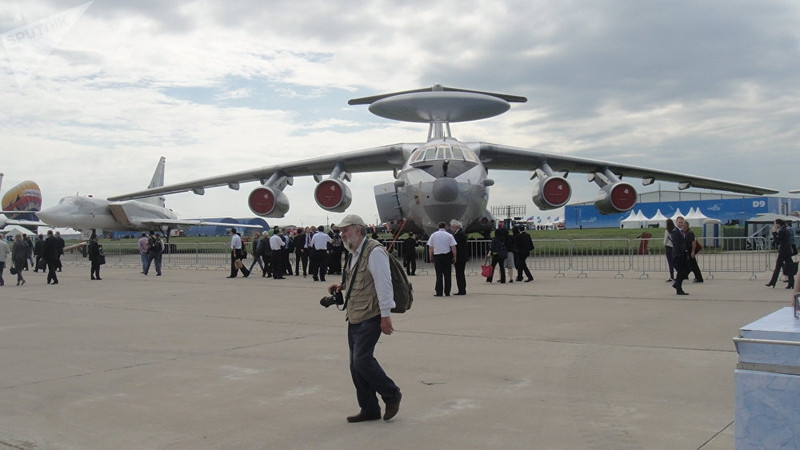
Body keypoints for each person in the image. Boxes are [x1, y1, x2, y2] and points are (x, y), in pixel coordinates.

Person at [326, 214, 402, 423]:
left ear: (358, 230)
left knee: (362, 360)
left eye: (345, 230)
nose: (342, 234)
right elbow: (359, 278)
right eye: (341, 231)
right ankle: (369, 409)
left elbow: (383, 284)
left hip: (371, 314)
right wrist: (341, 286)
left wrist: (385, 316)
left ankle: (391, 394)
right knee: (355, 364)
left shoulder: (374, 251)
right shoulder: (354, 252)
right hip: (355, 314)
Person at [427, 221, 457, 297]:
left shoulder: (433, 235)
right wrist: (454, 256)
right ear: (445, 227)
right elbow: (453, 247)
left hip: (437, 256)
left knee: (439, 275)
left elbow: (430, 247)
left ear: (438, 227)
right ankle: (447, 292)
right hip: (447, 256)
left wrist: (430, 256)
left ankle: (439, 292)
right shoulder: (449, 235)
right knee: (447, 275)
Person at [767, 219, 795, 289]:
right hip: (787, 250)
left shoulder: (782, 231)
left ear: (778, 224)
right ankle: (791, 282)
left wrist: (774, 232)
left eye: (775, 224)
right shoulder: (786, 229)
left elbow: (777, 241)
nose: (774, 225)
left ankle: (773, 282)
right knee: (789, 266)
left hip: (783, 251)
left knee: (778, 267)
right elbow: (781, 239)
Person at [670, 216, 689, 295]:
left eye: (682, 223)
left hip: (682, 254)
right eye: (679, 222)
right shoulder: (675, 232)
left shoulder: (681, 231)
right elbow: (676, 244)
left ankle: (677, 285)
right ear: (676, 222)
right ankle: (678, 289)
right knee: (681, 272)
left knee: (683, 271)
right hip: (678, 255)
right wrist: (680, 252)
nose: (681, 224)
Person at [450, 220, 469, 295]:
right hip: (462, 257)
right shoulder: (461, 233)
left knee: (459, 274)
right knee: (460, 273)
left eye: (452, 227)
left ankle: (461, 290)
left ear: (456, 227)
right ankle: (462, 289)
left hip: (460, 257)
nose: (451, 228)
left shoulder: (459, 234)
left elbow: (456, 245)